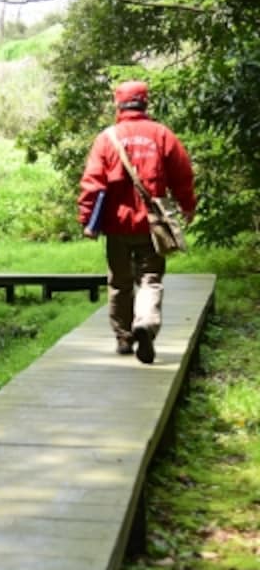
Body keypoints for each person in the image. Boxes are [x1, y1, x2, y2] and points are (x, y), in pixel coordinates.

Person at [78, 80, 196, 364]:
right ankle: (145, 322)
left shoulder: (107, 138)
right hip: (151, 225)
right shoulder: (162, 135)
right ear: (145, 102)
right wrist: (187, 206)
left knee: (119, 282)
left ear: (118, 104)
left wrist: (86, 218)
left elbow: (92, 183)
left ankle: (123, 337)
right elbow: (182, 175)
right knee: (150, 278)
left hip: (116, 224)